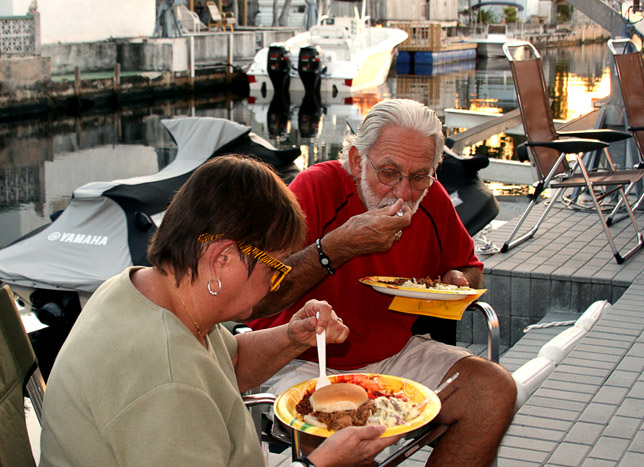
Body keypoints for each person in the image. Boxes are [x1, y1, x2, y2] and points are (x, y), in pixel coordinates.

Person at [39, 155, 402, 466]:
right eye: (274, 268)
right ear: (222, 258)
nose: (277, 283)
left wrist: (293, 336)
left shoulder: (148, 290)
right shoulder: (165, 380)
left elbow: (229, 365)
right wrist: (320, 462)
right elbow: (181, 382)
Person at [247, 99, 518, 466]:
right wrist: (335, 248)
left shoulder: (432, 198)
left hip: (395, 354)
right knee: (348, 446)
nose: (404, 192)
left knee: (493, 390)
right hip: (300, 360)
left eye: (420, 175)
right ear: (358, 160)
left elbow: (470, 270)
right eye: (389, 172)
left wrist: (455, 281)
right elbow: (258, 299)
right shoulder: (315, 188)